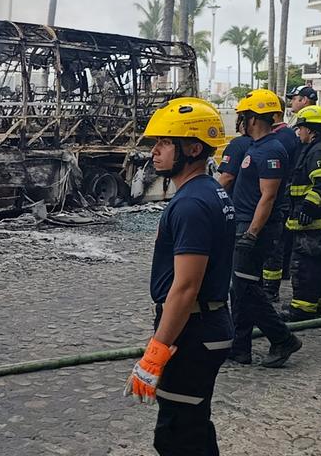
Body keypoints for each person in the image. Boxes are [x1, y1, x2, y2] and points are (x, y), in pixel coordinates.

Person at [123, 97, 235, 455]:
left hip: (193, 333)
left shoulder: (190, 204)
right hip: (206, 325)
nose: (154, 152)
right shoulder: (211, 192)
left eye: (164, 142)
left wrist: (155, 352)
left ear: (192, 148)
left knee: (176, 436)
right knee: (193, 425)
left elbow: (185, 288)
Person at [228, 89, 302, 368]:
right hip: (245, 223)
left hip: (255, 228)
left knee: (246, 288)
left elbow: (268, 196)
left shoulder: (271, 149)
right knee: (242, 287)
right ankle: (240, 347)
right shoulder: (256, 147)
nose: (240, 122)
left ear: (253, 118)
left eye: (243, 116)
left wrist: (252, 233)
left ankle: (282, 338)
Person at [283, 105, 321, 322]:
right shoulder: (315, 148)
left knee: (304, 265)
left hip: (312, 220)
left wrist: (308, 207)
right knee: (311, 263)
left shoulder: (320, 150)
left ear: (311, 129)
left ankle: (303, 309)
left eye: (301, 128)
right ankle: (312, 305)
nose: (298, 133)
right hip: (309, 219)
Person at [262, 105, 302, 303]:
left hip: (280, 197)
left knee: (275, 246)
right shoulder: (285, 136)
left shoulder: (282, 138)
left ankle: (270, 289)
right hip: (283, 196)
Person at [216, 115, 251, 195]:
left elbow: (227, 177)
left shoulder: (237, 144)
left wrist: (212, 196)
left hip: (240, 201)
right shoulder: (268, 142)